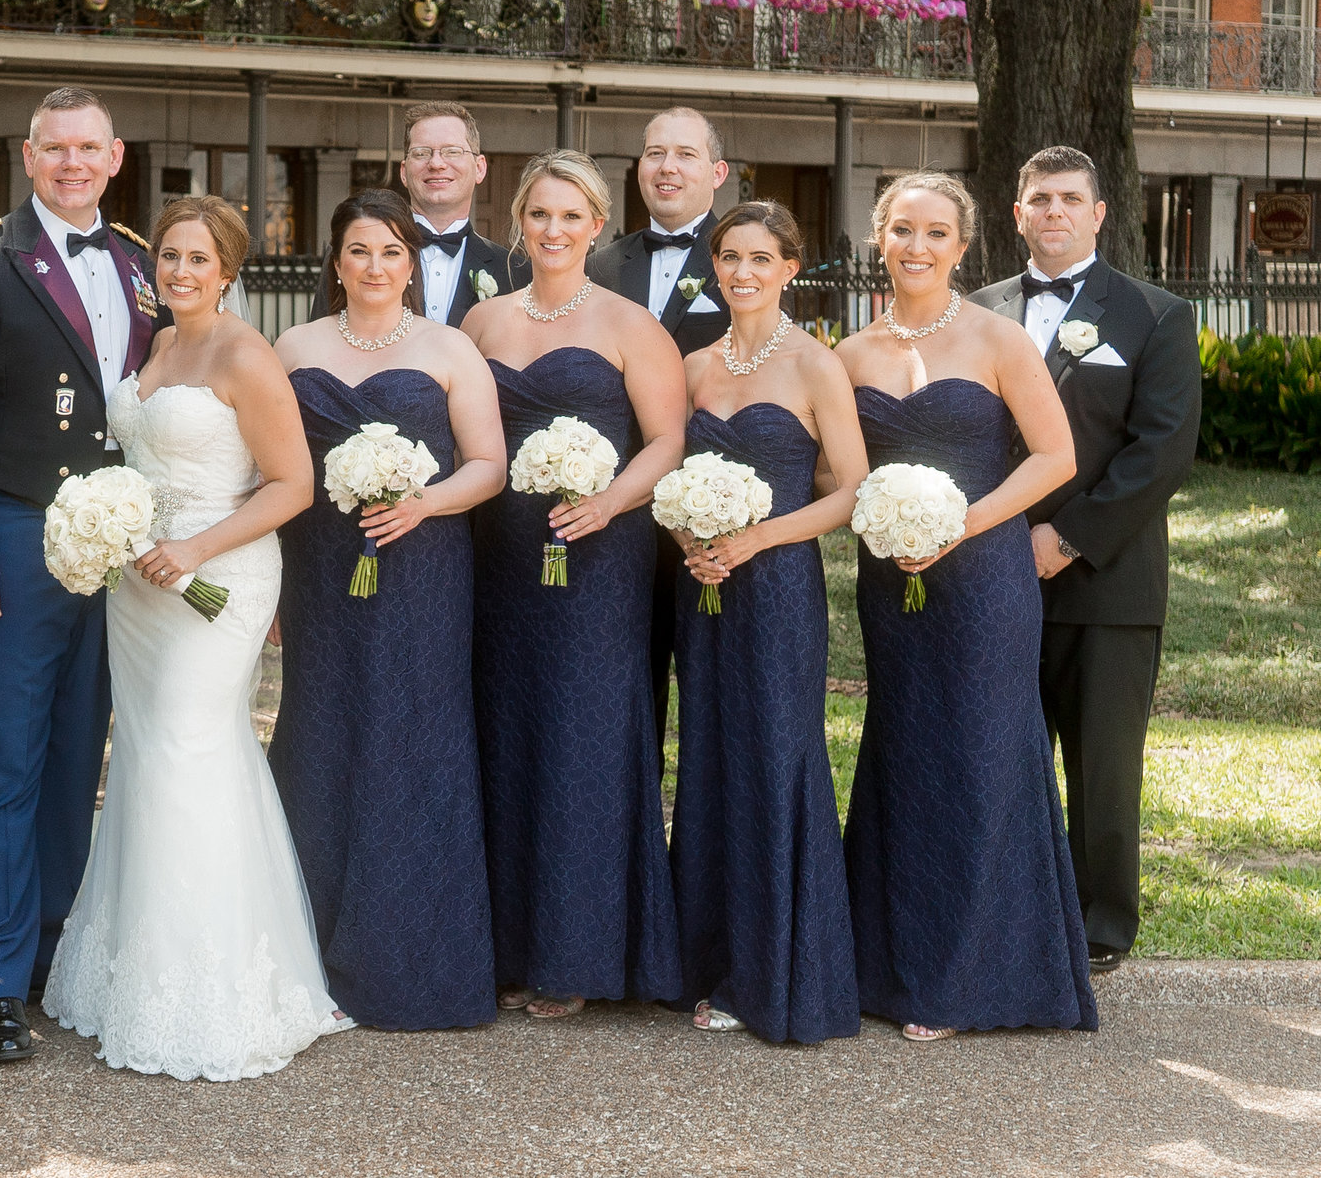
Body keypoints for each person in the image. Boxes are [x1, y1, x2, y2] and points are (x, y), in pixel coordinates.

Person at [45, 196, 349, 1079]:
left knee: (188, 748)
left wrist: (195, 549)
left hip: (220, 575)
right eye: (169, 257)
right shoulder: (158, 347)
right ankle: (136, 972)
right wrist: (119, 532)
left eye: (198, 260)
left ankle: (211, 989)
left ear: (228, 271)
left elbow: (294, 483)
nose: (179, 272)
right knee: (144, 754)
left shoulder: (245, 354)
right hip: (138, 581)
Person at [0, 86, 160, 1065]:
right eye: (55, 149)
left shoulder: (137, 264)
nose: (71, 163)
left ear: (115, 154)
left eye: (88, 148)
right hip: (7, 532)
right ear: (27, 154)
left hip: (114, 546)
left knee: (74, 756)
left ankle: (56, 956)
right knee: (2, 761)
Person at [836, 171, 1092, 1041]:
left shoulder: (998, 340)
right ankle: (888, 964)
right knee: (904, 753)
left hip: (981, 577)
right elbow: (838, 475)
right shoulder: (850, 353)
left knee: (980, 754)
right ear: (880, 237)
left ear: (963, 245)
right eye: (902, 230)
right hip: (892, 581)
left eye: (935, 233)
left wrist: (963, 525)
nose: (917, 247)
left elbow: (1054, 457)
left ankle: (968, 978)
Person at [269, 190, 507, 1031]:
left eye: (392, 252)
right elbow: (269, 462)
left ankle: (413, 957)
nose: (375, 267)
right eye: (360, 251)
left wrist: (425, 504)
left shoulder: (449, 347)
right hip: (320, 569)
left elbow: (489, 465)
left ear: (413, 264)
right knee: (320, 731)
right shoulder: (293, 346)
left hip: (422, 568)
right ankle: (307, 950)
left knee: (413, 737)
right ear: (335, 262)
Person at [462, 150, 686, 1020]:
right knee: (505, 733)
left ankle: (579, 952)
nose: (553, 231)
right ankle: (511, 944)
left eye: (571, 216)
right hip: (500, 558)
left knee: (583, 739)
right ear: (519, 223)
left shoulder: (632, 326)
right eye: (539, 215)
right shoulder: (482, 323)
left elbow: (668, 439)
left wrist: (609, 503)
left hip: (598, 559)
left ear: (598, 225)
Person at [972, 147, 1201, 974]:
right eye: (1040, 199)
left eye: (1072, 200)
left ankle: (1099, 927)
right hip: (990, 571)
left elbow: (1162, 451)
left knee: (1101, 765)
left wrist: (1065, 540)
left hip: (1108, 579)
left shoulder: (1155, 315)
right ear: (1017, 212)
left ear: (1101, 214)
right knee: (993, 747)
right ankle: (1001, 906)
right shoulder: (978, 310)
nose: (1055, 212)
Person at [666, 202, 864, 1044]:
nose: (743, 272)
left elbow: (852, 490)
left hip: (779, 584)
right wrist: (689, 535)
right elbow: (663, 473)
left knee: (776, 758)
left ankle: (780, 971)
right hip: (701, 587)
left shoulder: (817, 365)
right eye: (730, 257)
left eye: (761, 258)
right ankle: (708, 959)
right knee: (707, 756)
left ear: (791, 268)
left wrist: (754, 540)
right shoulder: (691, 365)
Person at [588, 107, 733, 752]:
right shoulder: (596, 267)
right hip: (607, 509)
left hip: (716, 511)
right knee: (621, 688)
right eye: (654, 154)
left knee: (714, 698)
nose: (667, 168)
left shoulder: (744, 259)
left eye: (685, 155)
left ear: (717, 172)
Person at [399, 102, 530, 328]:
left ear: (479, 168)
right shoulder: (360, 260)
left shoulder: (516, 274)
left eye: (452, 151)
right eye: (421, 153)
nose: (436, 163)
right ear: (403, 172)